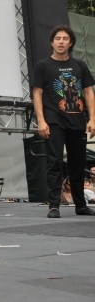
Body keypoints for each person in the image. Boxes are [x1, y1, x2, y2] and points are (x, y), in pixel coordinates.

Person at [32, 24, 95, 218]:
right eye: (57, 38)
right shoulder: (43, 65)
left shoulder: (80, 66)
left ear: (71, 43)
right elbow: (37, 94)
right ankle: (54, 205)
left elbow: (88, 93)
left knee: (77, 163)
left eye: (65, 39)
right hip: (54, 120)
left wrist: (92, 118)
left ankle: (80, 205)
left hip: (77, 120)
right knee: (54, 162)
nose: (61, 42)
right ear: (52, 42)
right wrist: (41, 121)